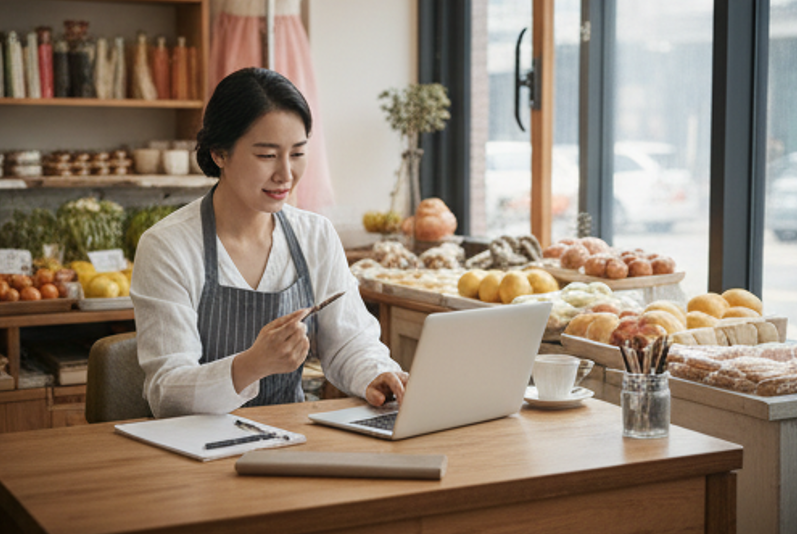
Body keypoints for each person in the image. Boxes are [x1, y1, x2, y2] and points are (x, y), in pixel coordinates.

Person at [130, 68, 407, 418]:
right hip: (195, 451)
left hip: (291, 438)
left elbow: (350, 341)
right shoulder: (168, 247)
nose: (286, 175)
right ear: (219, 153)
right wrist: (251, 365)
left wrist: (376, 373)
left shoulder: (316, 235)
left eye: (297, 153)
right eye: (266, 155)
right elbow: (166, 394)